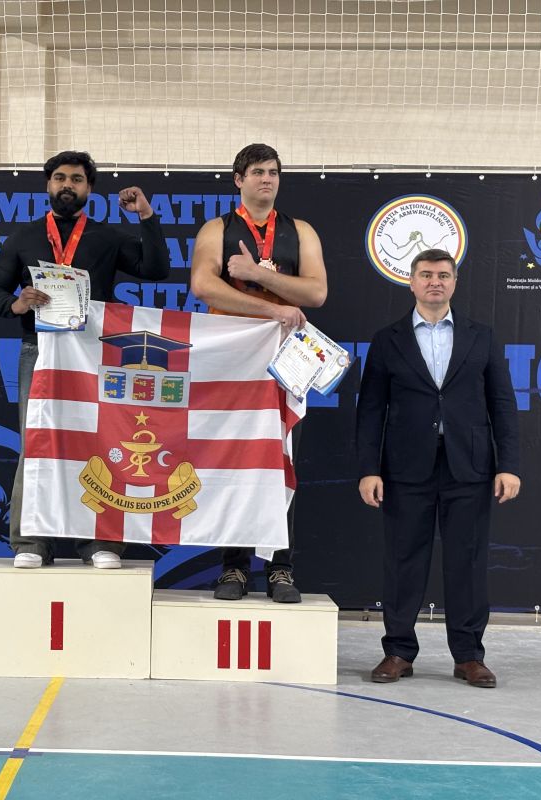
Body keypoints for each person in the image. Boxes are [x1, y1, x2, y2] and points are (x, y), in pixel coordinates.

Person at [0, 150, 171, 569]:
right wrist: (16, 305)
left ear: (89, 189)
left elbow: (157, 268)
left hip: (94, 355)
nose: (68, 185)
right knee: (36, 443)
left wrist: (146, 216)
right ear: (48, 185)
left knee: (100, 443)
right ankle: (30, 541)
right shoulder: (24, 237)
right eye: (60, 178)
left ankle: (100, 542)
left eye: (78, 180)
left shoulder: (106, 237)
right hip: (40, 352)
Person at [356, 248, 521, 688]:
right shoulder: (387, 339)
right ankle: (398, 652)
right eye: (426, 274)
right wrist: (368, 469)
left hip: (469, 467)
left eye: (443, 275)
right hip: (405, 469)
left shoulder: (480, 337)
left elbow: (502, 405)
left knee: (466, 563)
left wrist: (509, 465)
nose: (435, 282)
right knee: (403, 560)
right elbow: (371, 410)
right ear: (410, 282)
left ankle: (468, 656)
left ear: (454, 283)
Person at [190, 143, 328, 603]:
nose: (266, 179)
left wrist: (257, 275)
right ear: (238, 179)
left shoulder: (300, 230)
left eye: (272, 172)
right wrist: (272, 309)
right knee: (234, 461)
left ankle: (280, 568)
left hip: (285, 362)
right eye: (256, 172)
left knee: (282, 460)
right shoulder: (217, 229)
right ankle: (233, 567)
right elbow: (203, 285)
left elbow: (317, 292)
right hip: (231, 363)